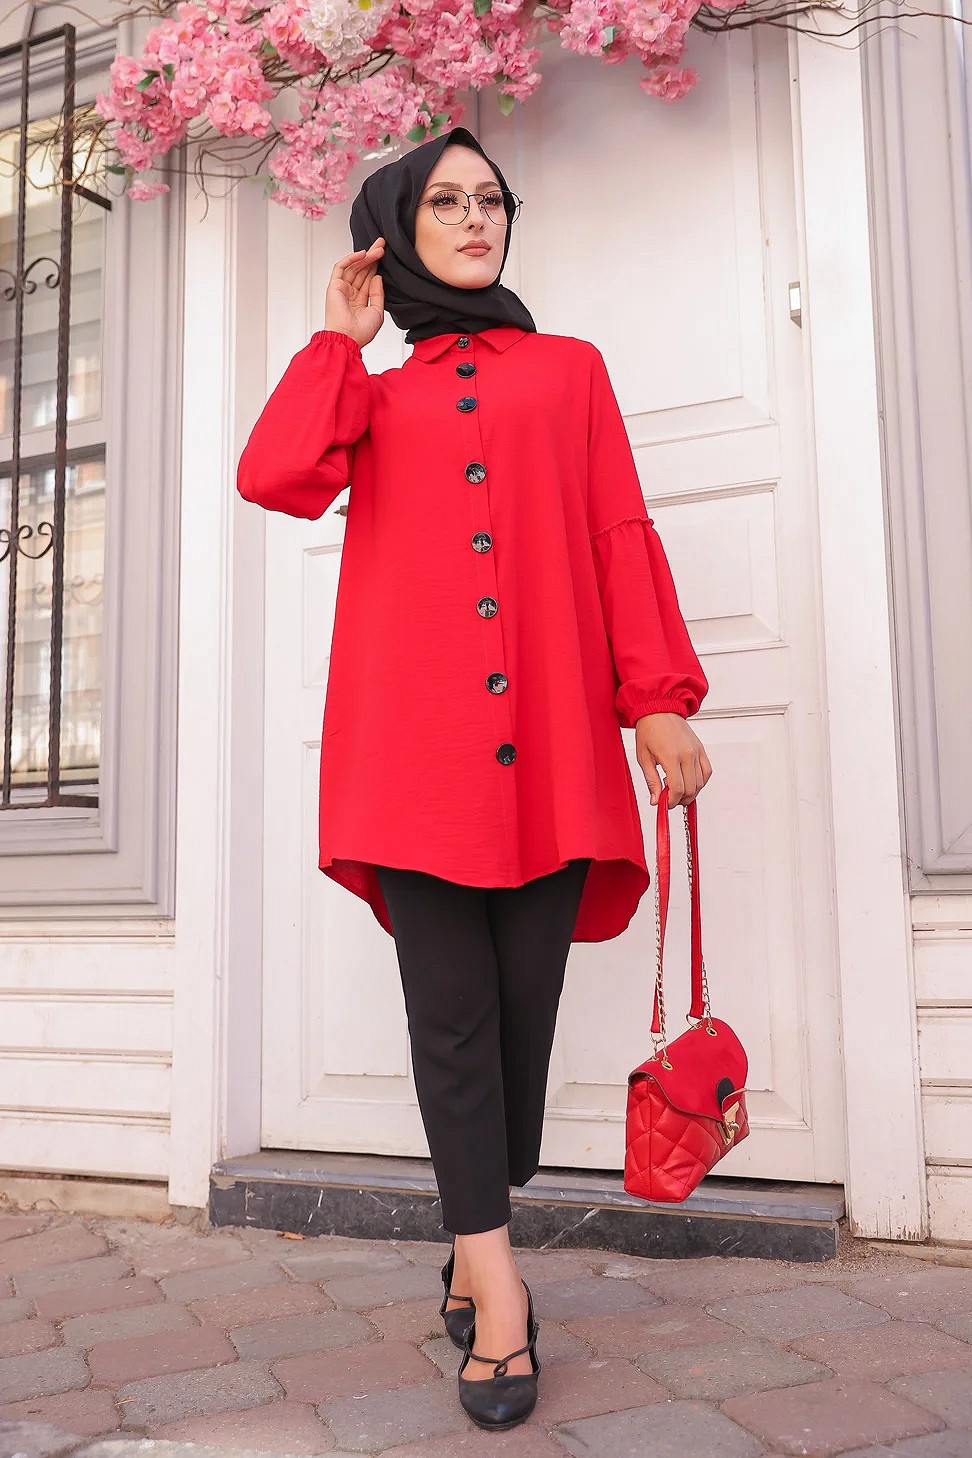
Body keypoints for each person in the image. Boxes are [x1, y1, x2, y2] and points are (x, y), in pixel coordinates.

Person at [237, 123, 712, 1431]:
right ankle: (498, 1289)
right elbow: (275, 477)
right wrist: (337, 340)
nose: (474, 217)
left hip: (552, 749)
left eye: (490, 198)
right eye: (444, 201)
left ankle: (468, 1240)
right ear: (396, 228)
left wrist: (655, 698)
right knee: (449, 1017)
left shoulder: (570, 371)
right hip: (414, 756)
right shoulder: (369, 394)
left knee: (520, 1015)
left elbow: (617, 531)